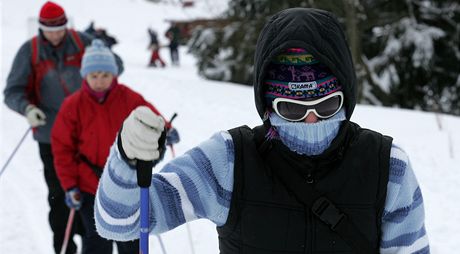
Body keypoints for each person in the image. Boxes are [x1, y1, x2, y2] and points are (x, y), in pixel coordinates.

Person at [94, 8, 430, 253]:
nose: (311, 120)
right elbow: (122, 221)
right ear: (269, 107)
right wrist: (126, 160)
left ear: (346, 96)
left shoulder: (387, 167)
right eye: (292, 109)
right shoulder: (229, 161)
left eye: (326, 105)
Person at [3, 2, 123, 253]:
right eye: (50, 30)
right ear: (41, 28)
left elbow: (115, 65)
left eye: (60, 29)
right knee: (59, 195)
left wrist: (101, 66)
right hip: (50, 135)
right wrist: (27, 108)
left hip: (87, 133)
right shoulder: (31, 51)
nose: (56, 34)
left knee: (91, 193)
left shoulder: (82, 42)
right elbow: (12, 91)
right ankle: (64, 246)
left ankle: (92, 241)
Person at [51, 39, 176, 253]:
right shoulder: (73, 105)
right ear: (85, 76)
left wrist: (166, 130)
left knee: (131, 240)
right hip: (89, 187)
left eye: (105, 75)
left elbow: (149, 118)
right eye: (94, 76)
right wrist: (70, 186)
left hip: (126, 184)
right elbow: (62, 148)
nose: (99, 81)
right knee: (96, 242)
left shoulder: (128, 98)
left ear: (114, 74)